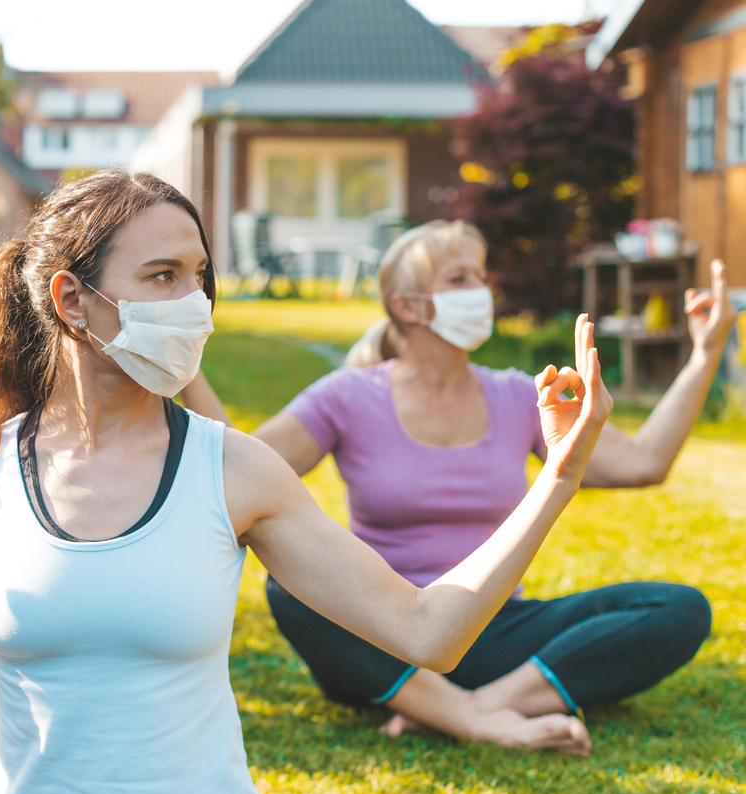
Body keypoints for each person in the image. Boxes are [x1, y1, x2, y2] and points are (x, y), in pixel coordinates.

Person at [0, 170, 611, 794]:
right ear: (72, 300)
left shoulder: (232, 467)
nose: (195, 304)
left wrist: (560, 472)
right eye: (163, 277)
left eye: (199, 277)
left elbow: (429, 634)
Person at [251, 220, 733, 755]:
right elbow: (241, 472)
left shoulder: (516, 395)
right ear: (408, 307)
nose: (481, 290)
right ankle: (477, 717)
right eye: (460, 278)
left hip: (493, 628)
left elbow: (644, 462)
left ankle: (467, 707)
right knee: (289, 581)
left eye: (481, 275)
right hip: (382, 634)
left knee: (677, 608)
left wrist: (704, 354)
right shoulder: (346, 396)